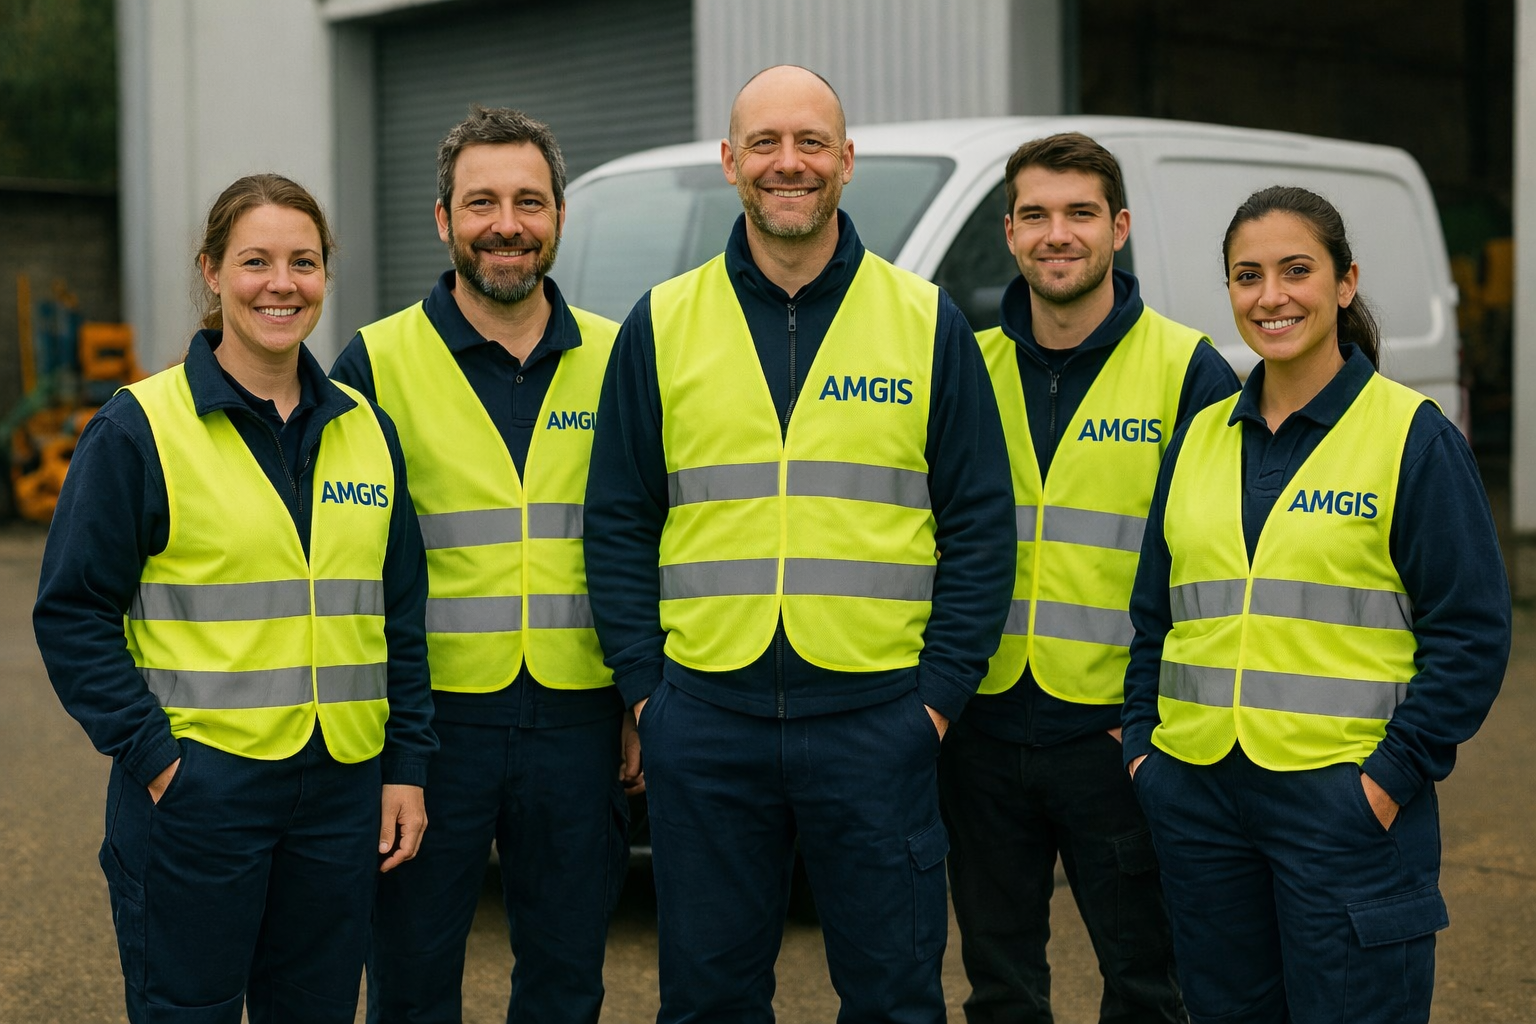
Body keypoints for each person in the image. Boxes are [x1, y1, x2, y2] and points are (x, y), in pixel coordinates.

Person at [584, 64, 1016, 1022]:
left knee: (897, 998)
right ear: (731, 162)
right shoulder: (660, 324)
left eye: (812, 142)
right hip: (707, 718)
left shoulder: (922, 320)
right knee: (707, 1001)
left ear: (846, 161)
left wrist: (937, 703)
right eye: (767, 144)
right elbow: (618, 520)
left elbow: (982, 524)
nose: (791, 163)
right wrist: (648, 693)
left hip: (879, 723)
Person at [33, 173, 436, 1024]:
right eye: (255, 261)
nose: (280, 284)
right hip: (197, 799)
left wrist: (405, 766)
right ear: (212, 271)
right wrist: (157, 760)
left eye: (303, 261)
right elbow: (72, 614)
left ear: (326, 274)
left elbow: (400, 615)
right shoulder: (137, 429)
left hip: (338, 797)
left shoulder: (366, 428)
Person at [1122, 185, 1511, 1024]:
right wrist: (1145, 756)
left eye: (1297, 270)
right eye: (1247, 275)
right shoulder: (1199, 438)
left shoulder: (1413, 437)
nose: (1271, 296)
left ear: (1344, 283)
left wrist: (1390, 778)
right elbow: (1155, 613)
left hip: (1347, 808)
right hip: (1199, 804)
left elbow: (1472, 633)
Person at [332, 105, 635, 1024]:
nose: (507, 223)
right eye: (482, 202)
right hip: (432, 733)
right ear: (442, 220)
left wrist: (638, 698)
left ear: (558, 217)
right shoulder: (373, 363)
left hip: (579, 728)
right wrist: (386, 744)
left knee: (566, 977)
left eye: (529, 201)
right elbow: (349, 565)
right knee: (413, 978)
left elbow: (646, 541)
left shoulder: (622, 356)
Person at [939, 132, 1237, 1024]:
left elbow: (1225, 568)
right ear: (1009, 231)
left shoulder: (1191, 372)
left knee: (1148, 985)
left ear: (1120, 227)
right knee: (999, 988)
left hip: (1117, 739)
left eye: (1079, 214)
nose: (1056, 234)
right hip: (983, 730)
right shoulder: (964, 365)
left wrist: (1155, 727)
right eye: (1036, 214)